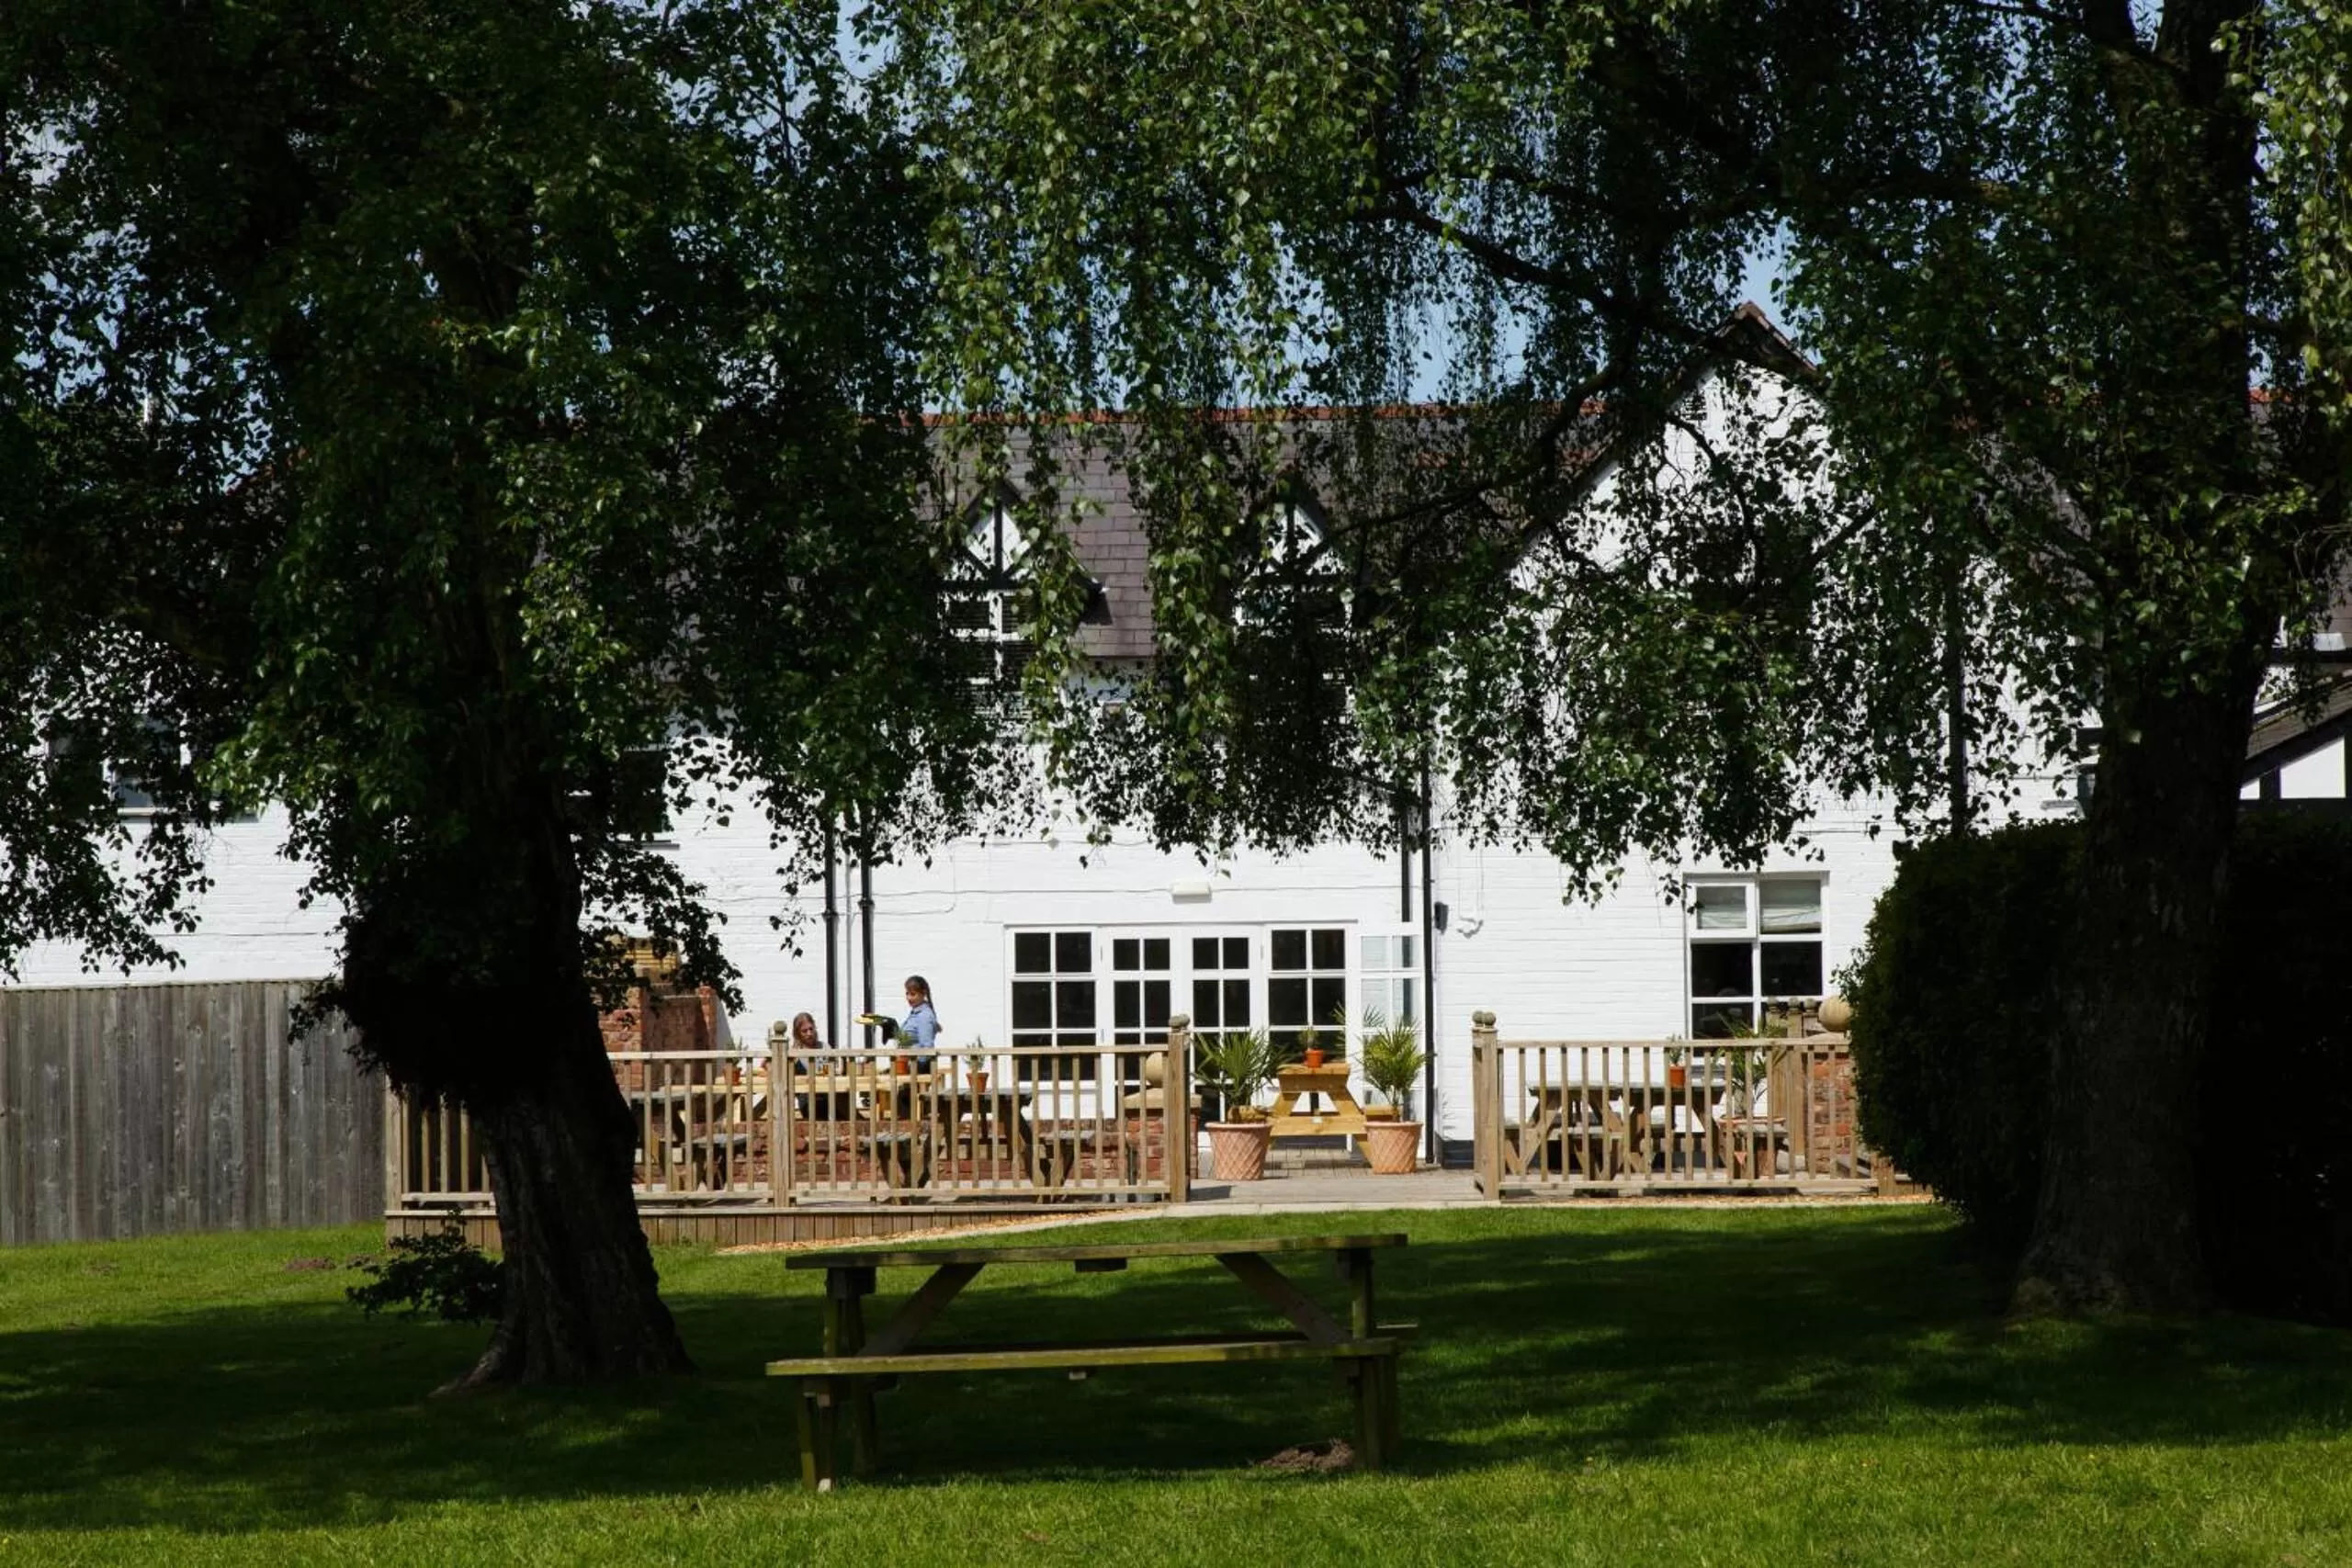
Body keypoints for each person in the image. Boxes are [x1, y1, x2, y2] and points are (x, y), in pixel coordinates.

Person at [899, 976, 940, 1065]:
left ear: (923, 993)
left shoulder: (924, 1016)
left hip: (917, 1069)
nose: (909, 998)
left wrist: (913, 1063)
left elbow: (927, 1048)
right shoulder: (915, 1013)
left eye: (913, 994)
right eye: (907, 993)